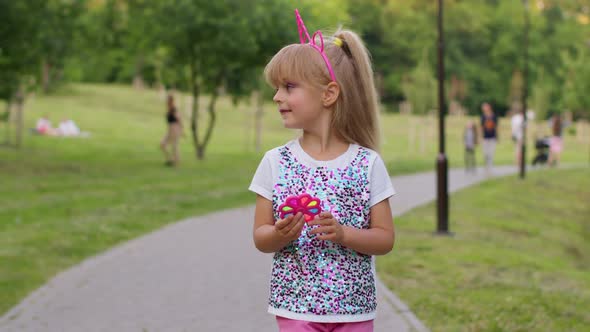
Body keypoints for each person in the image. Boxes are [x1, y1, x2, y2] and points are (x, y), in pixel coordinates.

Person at [249, 9, 396, 332]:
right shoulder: (275, 162)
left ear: (328, 94)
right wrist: (278, 234)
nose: (277, 97)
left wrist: (344, 234)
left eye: (289, 87)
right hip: (295, 308)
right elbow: (261, 236)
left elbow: (385, 239)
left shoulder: (367, 164)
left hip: (353, 311)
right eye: (277, 88)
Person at [160, 94, 182, 166]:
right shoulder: (169, 109)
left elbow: (178, 119)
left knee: (174, 145)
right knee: (162, 144)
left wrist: (181, 129)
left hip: (174, 128)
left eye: (168, 100)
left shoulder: (174, 108)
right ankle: (170, 159)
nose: (166, 101)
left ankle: (175, 162)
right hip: (170, 129)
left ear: (171, 101)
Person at [480, 102, 498, 173]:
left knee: (491, 153)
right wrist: (480, 137)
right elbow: (481, 127)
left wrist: (497, 136)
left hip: (492, 137)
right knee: (485, 153)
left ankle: (490, 167)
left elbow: (496, 127)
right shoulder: (483, 117)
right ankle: (486, 166)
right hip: (485, 137)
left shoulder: (494, 116)